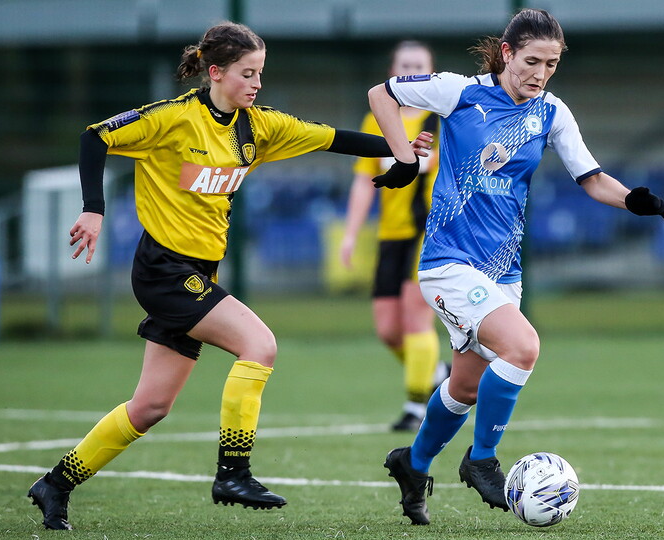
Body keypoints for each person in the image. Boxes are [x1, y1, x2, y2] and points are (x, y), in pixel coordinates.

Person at [26, 22, 431, 531]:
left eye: (260, 73)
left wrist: (400, 151)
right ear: (215, 72)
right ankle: (233, 472)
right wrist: (93, 209)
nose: (257, 83)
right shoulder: (173, 119)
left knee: (150, 407)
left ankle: (54, 485)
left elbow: (332, 138)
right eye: (247, 73)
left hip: (199, 270)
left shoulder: (256, 127)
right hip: (163, 268)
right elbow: (95, 137)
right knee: (259, 345)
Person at [368, 9, 664, 525]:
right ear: (507, 54)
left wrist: (633, 200)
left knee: (464, 386)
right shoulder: (459, 92)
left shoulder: (552, 112)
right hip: (449, 263)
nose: (541, 73)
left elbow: (592, 178)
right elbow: (383, 94)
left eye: (552, 64)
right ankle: (481, 459)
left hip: (503, 273)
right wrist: (405, 159)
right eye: (532, 61)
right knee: (524, 346)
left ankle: (412, 464)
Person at [341, 41, 447, 432]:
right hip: (391, 234)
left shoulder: (443, 119)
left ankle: (417, 407)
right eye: (405, 65)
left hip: (429, 231)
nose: (413, 71)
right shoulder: (378, 118)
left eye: (420, 66)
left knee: (416, 318)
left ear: (432, 74)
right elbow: (363, 183)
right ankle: (436, 371)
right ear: (393, 73)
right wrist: (350, 235)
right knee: (388, 329)